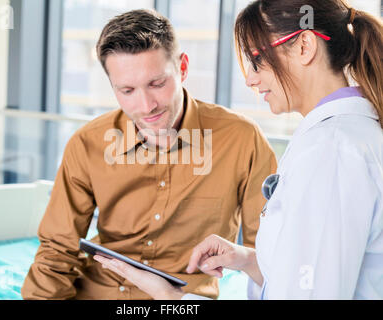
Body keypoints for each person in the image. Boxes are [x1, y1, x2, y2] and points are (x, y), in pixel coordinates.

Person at [94, 0, 383, 299]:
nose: (250, 78)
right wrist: (248, 260)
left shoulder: (331, 151)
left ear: (304, 46)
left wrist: (173, 299)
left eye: (257, 60)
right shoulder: (341, 138)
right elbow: (309, 273)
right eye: (126, 90)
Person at [21, 9, 277, 300]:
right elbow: (57, 251)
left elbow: (271, 258)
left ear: (182, 68)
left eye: (156, 84)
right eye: (127, 90)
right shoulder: (87, 144)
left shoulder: (242, 140)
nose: (146, 106)